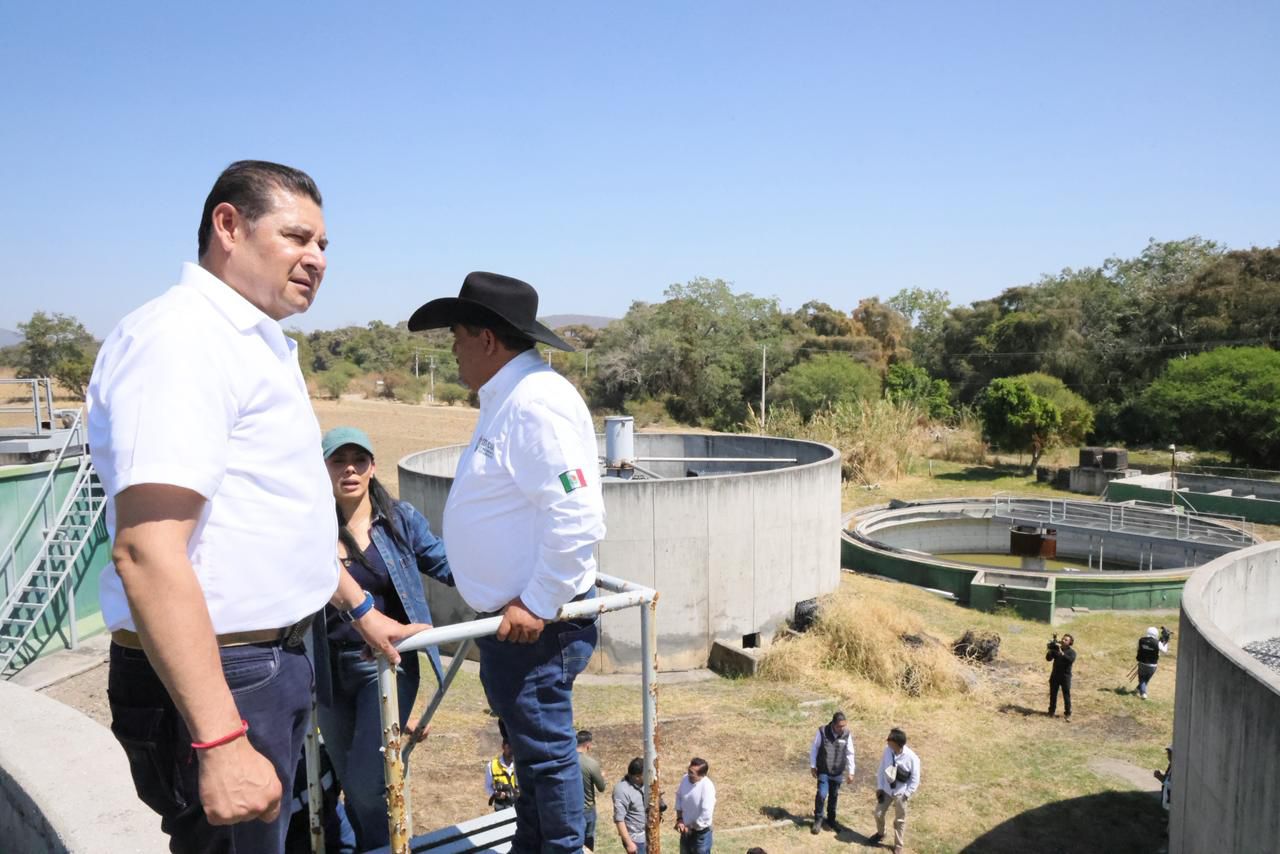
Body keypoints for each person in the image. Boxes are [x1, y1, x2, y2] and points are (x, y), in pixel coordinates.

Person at [86, 160, 420, 853]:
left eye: (325, 245)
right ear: (228, 226)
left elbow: (272, 519)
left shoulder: (252, 343)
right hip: (224, 677)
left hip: (262, 666)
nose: (317, 259)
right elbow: (147, 549)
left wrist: (360, 610)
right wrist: (218, 740)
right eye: (298, 237)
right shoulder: (183, 341)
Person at [407, 272, 606, 852]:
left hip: (533, 627)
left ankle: (561, 848)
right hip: (513, 623)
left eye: (457, 337)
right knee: (528, 750)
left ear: (487, 339)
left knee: (545, 756)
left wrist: (536, 602)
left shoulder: (536, 404)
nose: (452, 350)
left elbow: (577, 517)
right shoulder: (509, 398)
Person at [315, 426, 454, 850]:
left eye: (359, 460)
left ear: (373, 468)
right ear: (323, 469)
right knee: (348, 781)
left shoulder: (399, 520)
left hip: (387, 667)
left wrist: (510, 585)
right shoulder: (309, 526)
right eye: (339, 461)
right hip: (328, 671)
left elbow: (446, 564)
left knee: (365, 782)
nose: (350, 469)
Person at [871, 728, 920, 854]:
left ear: (897, 744)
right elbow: (882, 769)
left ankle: (898, 845)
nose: (887, 742)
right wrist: (880, 787)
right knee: (878, 813)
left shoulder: (912, 758)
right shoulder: (887, 751)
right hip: (886, 790)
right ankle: (881, 834)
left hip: (900, 794)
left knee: (899, 821)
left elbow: (915, 779)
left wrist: (907, 794)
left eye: (890, 741)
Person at [809, 710, 856, 833]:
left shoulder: (847, 734)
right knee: (822, 794)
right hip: (824, 770)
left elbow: (850, 753)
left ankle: (831, 820)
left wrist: (851, 772)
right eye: (839, 726)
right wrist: (813, 765)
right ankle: (818, 819)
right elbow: (815, 748)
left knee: (834, 796)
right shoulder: (822, 732)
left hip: (838, 772)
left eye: (844, 726)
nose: (842, 728)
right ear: (833, 724)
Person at [675, 757, 716, 854]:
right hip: (686, 832)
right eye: (689, 770)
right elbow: (679, 798)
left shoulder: (707, 787)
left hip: (701, 835)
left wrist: (691, 827)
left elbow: (706, 814)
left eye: (692, 773)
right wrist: (679, 819)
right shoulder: (685, 779)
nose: (689, 774)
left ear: (702, 775)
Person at [577, 730, 607, 850]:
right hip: (587, 810)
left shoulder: (566, 761)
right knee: (588, 841)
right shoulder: (591, 764)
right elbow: (601, 787)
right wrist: (602, 777)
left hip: (570, 809)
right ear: (588, 745)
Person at [613, 757, 649, 854]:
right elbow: (619, 819)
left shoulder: (645, 784)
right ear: (637, 776)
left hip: (648, 835)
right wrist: (629, 843)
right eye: (645, 774)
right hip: (635, 840)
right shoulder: (622, 790)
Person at [1046, 633, 1076, 720]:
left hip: (1065, 677)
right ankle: (1051, 712)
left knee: (1066, 695)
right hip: (1055, 675)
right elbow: (1048, 659)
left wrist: (1061, 653)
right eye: (1063, 639)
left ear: (1070, 642)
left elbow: (1070, 660)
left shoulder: (1072, 652)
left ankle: (1068, 713)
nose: (1063, 640)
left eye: (1066, 640)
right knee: (1053, 694)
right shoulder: (1057, 649)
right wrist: (1050, 650)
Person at [1135, 626, 1170, 699]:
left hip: (1142, 663)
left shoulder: (1141, 640)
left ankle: (1142, 692)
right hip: (1153, 665)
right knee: (1146, 679)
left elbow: (1138, 649)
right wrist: (1166, 641)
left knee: (1142, 679)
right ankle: (1140, 690)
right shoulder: (1157, 643)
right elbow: (1164, 651)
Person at [486, 739, 520, 811]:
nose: (511, 750)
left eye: (513, 747)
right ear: (503, 747)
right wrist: (496, 794)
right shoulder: (491, 765)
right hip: (501, 806)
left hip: (519, 805)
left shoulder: (520, 764)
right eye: (508, 747)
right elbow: (488, 787)